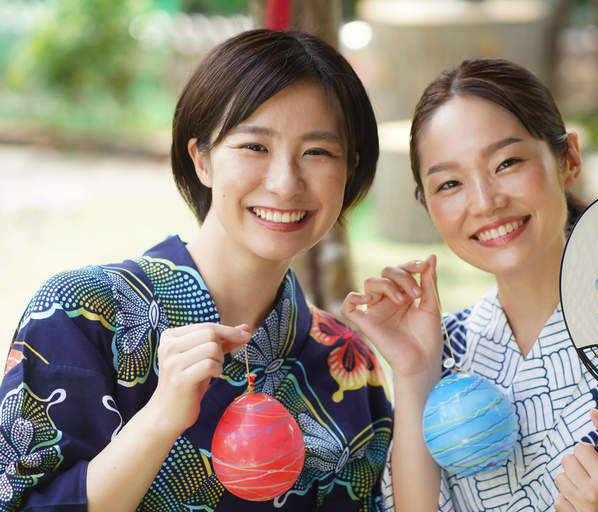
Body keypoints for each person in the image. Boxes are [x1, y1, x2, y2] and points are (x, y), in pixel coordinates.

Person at [341, 58, 598, 512]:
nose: (486, 202)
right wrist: (414, 373)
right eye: (449, 183)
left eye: (507, 162)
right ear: (428, 204)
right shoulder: (445, 349)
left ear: (569, 160)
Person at [0, 29, 392, 511]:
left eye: (317, 152)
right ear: (202, 160)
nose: (286, 183)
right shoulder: (80, 314)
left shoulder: (349, 363)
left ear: (350, 169)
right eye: (254, 147)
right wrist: (161, 418)